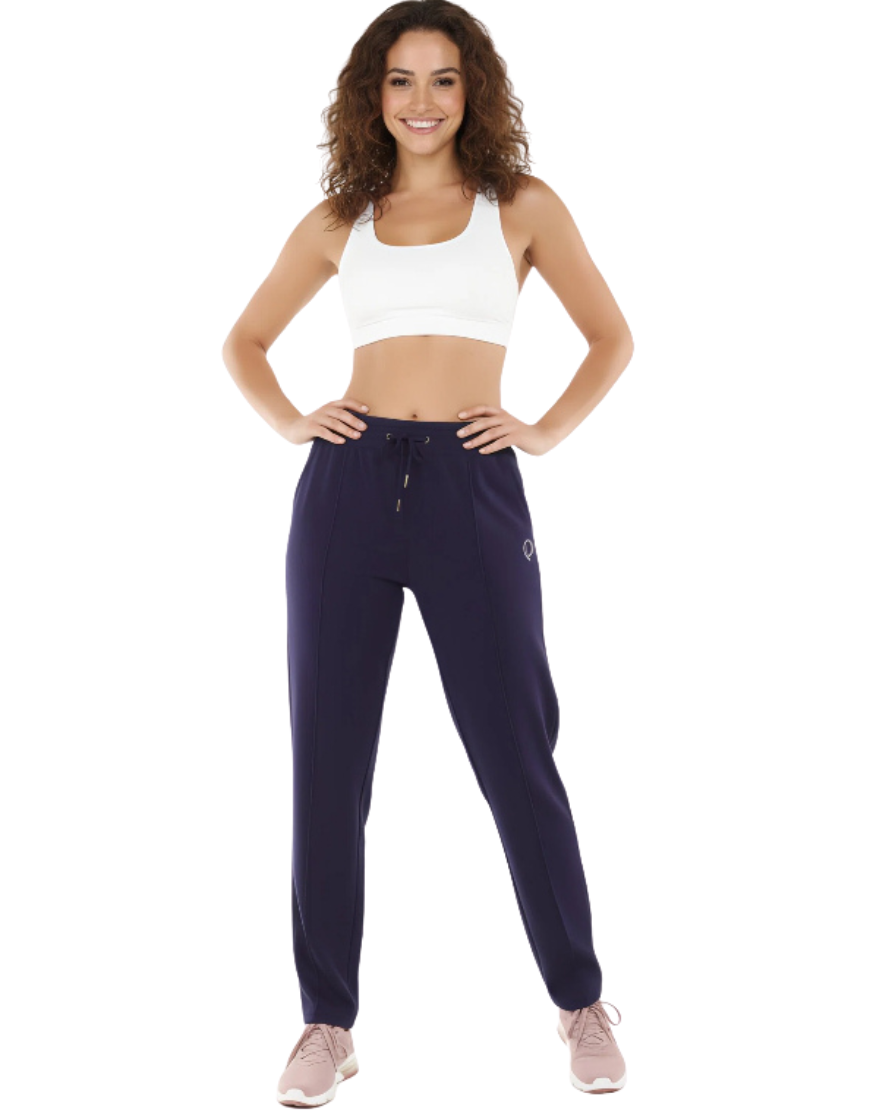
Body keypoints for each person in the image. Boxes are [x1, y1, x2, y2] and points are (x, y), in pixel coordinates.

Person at [222, 2, 634, 1103]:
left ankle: (580, 999)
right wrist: (290, 420)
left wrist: (541, 430)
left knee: (515, 748)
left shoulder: (520, 206)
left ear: (472, 90)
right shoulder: (340, 218)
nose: (421, 102)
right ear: (373, 95)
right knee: (329, 760)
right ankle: (326, 1022)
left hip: (471, 482)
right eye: (400, 80)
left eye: (443, 79)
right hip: (347, 487)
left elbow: (611, 337)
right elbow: (245, 341)